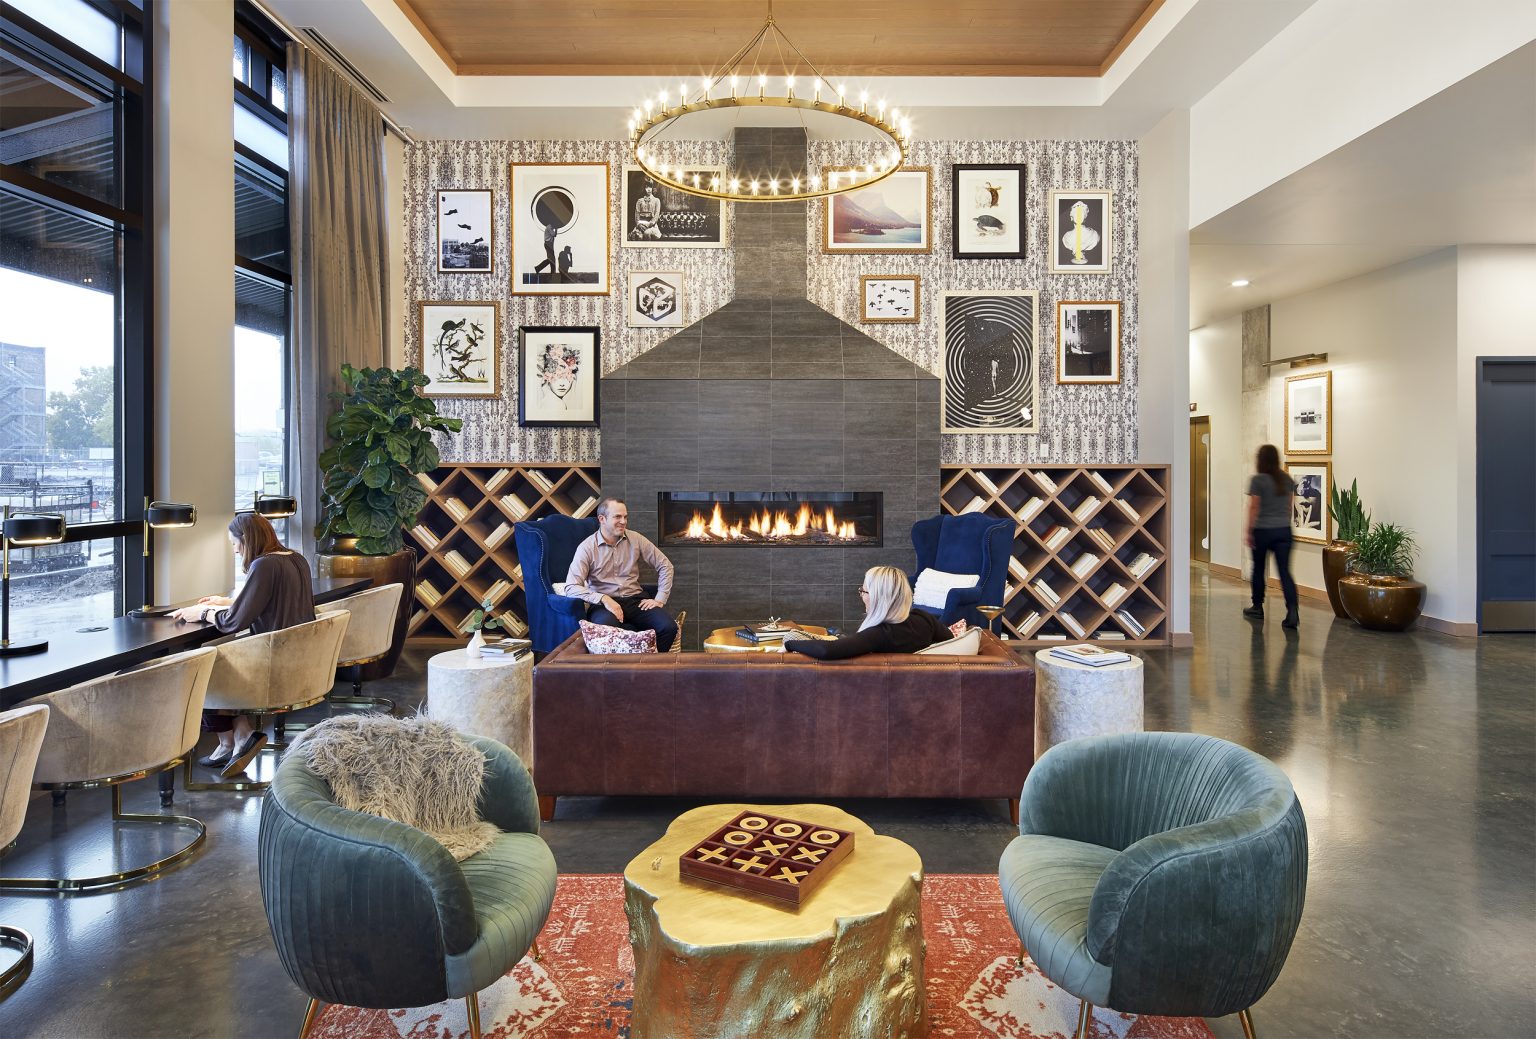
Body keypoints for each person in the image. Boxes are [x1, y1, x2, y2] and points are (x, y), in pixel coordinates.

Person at [171, 512, 315, 776]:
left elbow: (234, 622)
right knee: (218, 660)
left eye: (235, 543)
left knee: (202, 663)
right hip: (299, 659)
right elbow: (277, 600)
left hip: (272, 662)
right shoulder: (296, 558)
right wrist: (229, 602)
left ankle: (231, 739)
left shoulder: (264, 565)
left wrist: (202, 612)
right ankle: (237, 737)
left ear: (247, 539)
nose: (235, 551)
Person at [562, 497, 678, 651]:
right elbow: (570, 587)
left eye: (625, 517)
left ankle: (650, 664)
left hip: (636, 601)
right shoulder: (587, 547)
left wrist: (660, 599)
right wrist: (604, 599)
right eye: (617, 517)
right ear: (602, 519)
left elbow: (665, 566)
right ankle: (619, 667)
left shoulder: (636, 539)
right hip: (604, 605)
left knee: (668, 627)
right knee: (607, 633)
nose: (623, 521)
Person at [784, 566, 949, 661]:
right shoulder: (924, 618)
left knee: (793, 635)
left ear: (878, 597)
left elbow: (827, 651)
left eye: (863, 591)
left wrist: (789, 644)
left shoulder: (878, 635)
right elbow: (951, 641)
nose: (861, 596)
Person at [1245, 443, 1299, 628]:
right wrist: (1282, 524)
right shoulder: (1286, 479)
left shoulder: (1257, 480)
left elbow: (1254, 507)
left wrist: (1249, 531)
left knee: (1258, 569)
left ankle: (1257, 607)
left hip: (1262, 531)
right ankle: (1292, 611)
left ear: (1260, 460)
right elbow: (1289, 507)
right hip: (1284, 530)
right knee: (1284, 571)